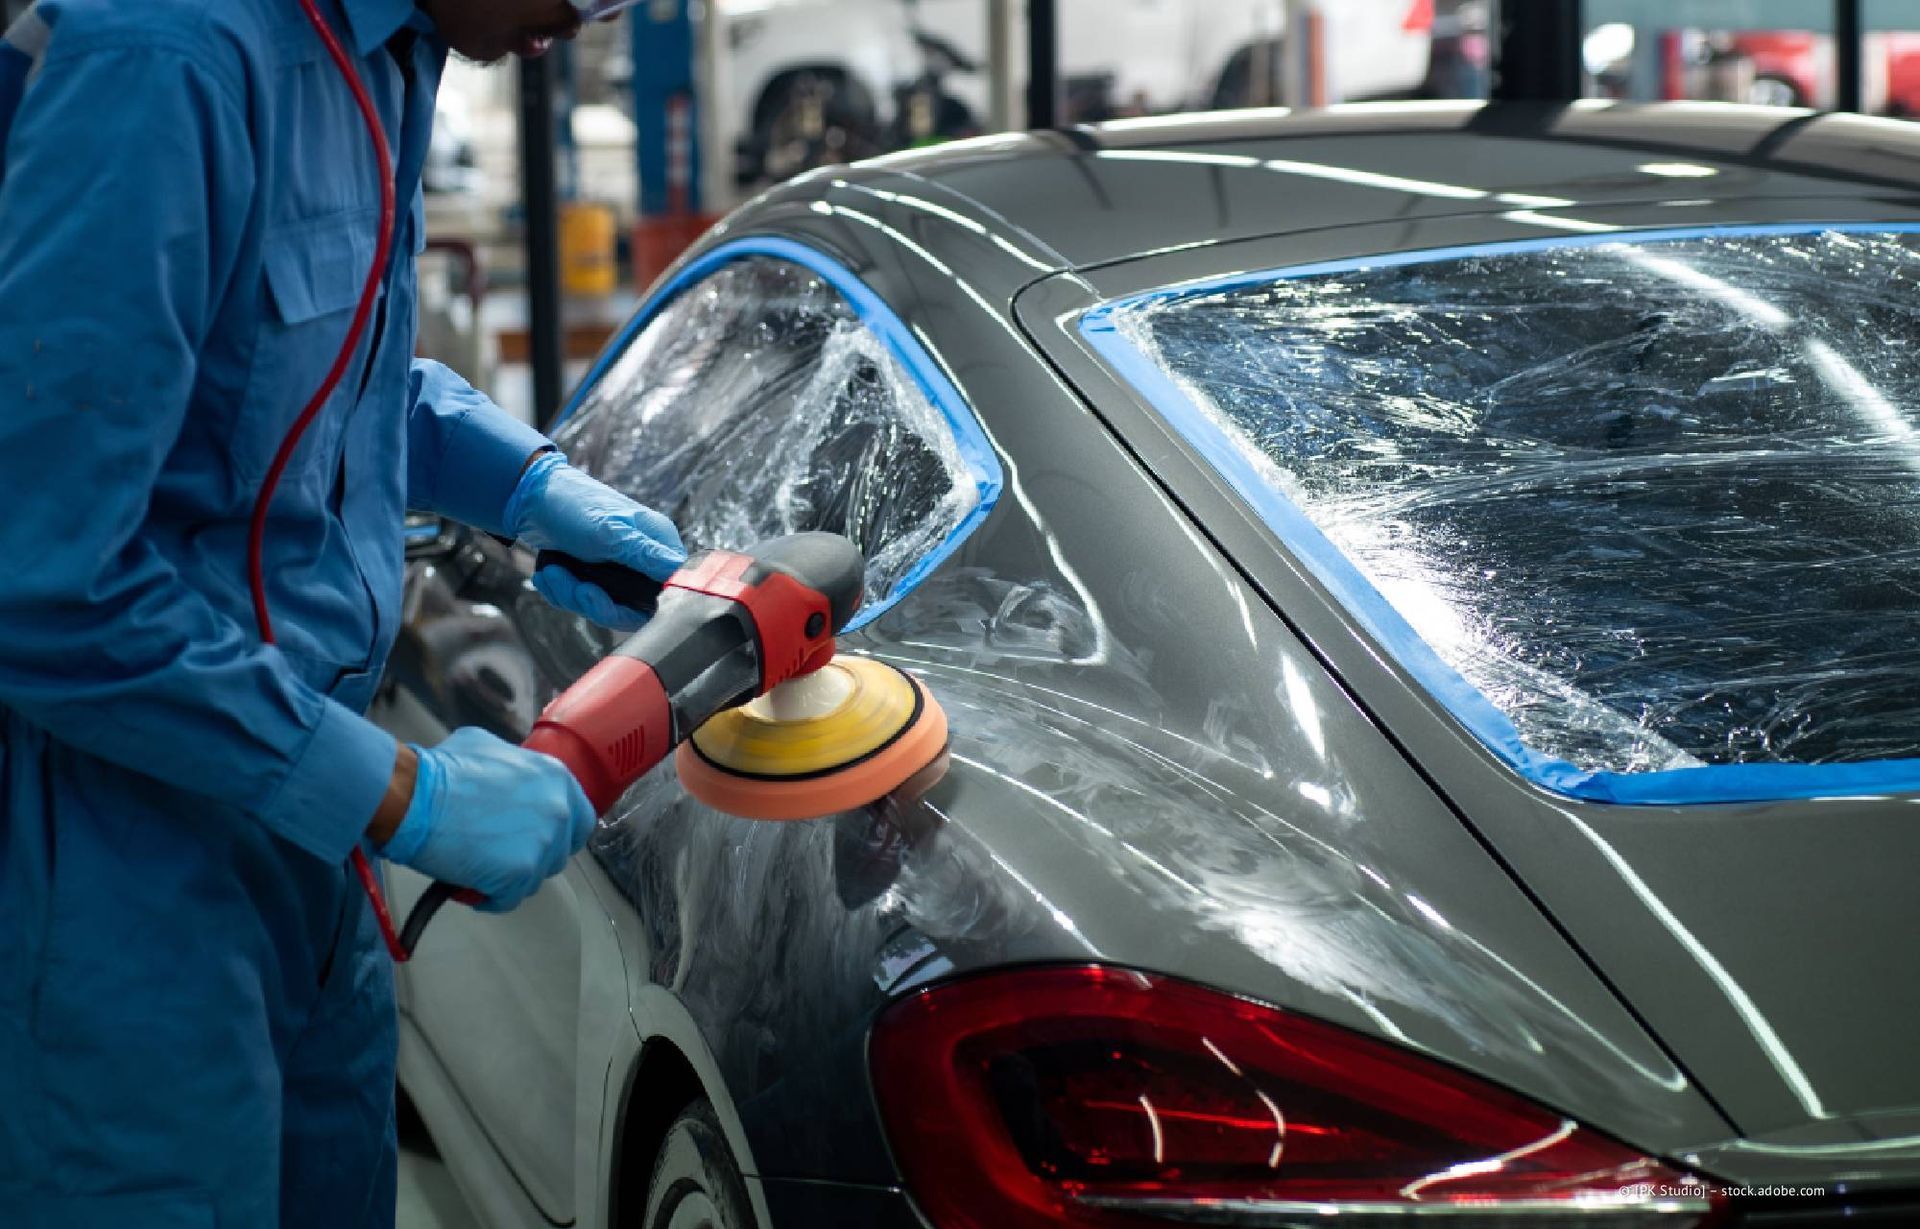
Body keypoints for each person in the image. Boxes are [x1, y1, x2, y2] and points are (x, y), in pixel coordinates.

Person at [0, 1, 683, 1225]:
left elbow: (323, 370)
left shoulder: (401, 44)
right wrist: (402, 795)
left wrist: (526, 487)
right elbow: (41, 581)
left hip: (308, 843)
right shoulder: (167, 59)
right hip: (118, 854)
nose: (573, 26)